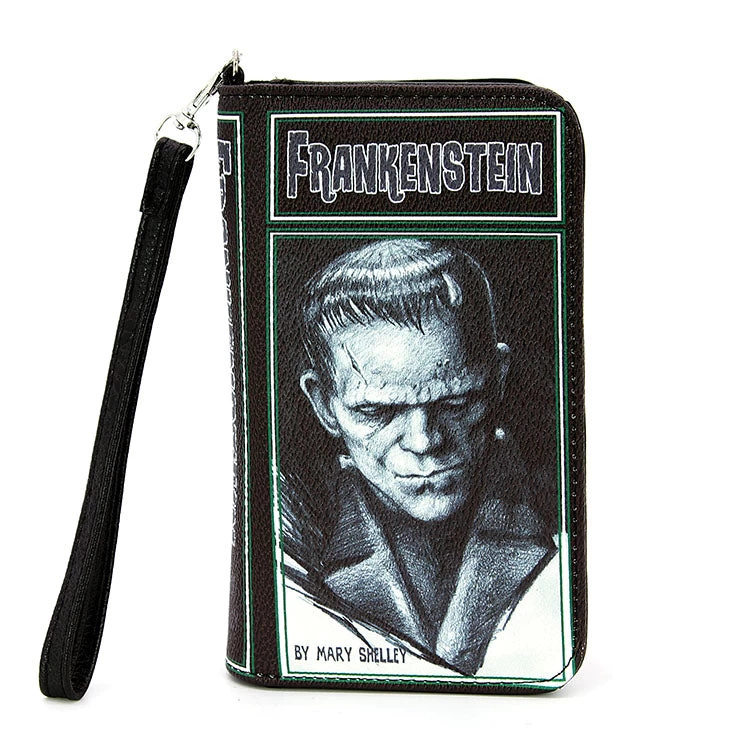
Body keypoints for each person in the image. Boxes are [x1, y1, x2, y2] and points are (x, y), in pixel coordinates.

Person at [281, 238, 557, 675]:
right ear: (323, 405)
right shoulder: (291, 554)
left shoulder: (563, 525)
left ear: (497, 380)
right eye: (377, 412)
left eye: (456, 401)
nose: (424, 440)